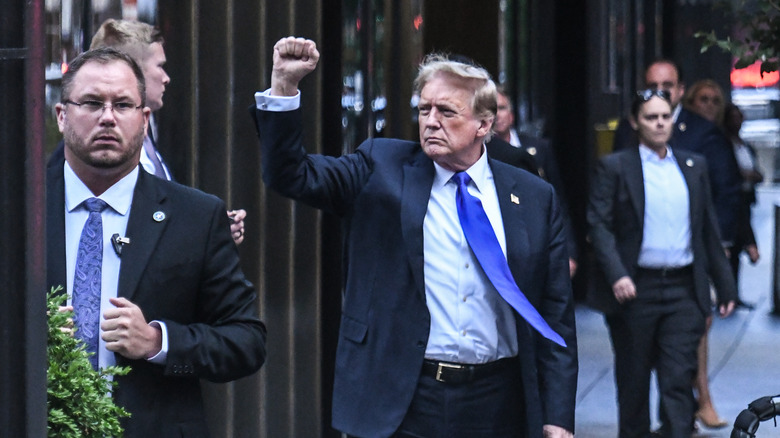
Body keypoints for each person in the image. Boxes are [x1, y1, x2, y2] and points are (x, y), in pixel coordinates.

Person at [252, 36, 577, 438]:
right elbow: (292, 174)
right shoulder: (379, 167)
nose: (431, 121)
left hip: (498, 400)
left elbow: (556, 313)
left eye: (446, 111)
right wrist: (284, 87)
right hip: (403, 396)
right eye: (424, 110)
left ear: (484, 124)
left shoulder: (532, 196)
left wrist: (559, 417)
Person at [46, 47, 267, 437]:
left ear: (144, 120)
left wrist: (157, 341)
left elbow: (246, 341)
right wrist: (30, 335)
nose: (108, 118)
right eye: (93, 103)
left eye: (123, 105)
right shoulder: (18, 210)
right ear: (62, 115)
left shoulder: (195, 217)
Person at [588, 89, 736, 438]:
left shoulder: (692, 165)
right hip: (636, 290)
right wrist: (617, 274)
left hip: (683, 289)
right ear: (635, 122)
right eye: (651, 117)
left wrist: (725, 284)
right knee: (634, 384)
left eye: (665, 116)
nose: (659, 123)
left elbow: (707, 230)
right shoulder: (616, 167)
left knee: (678, 381)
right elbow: (599, 224)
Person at [89, 18, 248, 244]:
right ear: (134, 72)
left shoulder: (146, 133)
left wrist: (210, 228)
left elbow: (157, 220)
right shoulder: (104, 146)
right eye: (159, 66)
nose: (166, 78)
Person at [612, 60, 741, 251]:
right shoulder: (627, 129)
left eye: (667, 86)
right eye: (652, 86)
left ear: (681, 90)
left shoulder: (704, 132)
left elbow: (724, 191)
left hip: (691, 245)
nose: (660, 92)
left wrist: (719, 242)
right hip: (637, 245)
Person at [681, 79, 735, 429]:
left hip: (706, 246)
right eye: (703, 99)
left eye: (716, 100)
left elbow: (729, 193)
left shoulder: (717, 139)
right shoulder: (677, 134)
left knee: (699, 323)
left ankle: (699, 401)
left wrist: (732, 242)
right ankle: (696, 402)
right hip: (678, 247)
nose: (709, 106)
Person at [491, 86, 578, 277]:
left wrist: (569, 251)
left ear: (512, 114)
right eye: (491, 109)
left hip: (538, 240)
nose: (497, 115)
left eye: (502, 108)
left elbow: (557, 201)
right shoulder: (478, 154)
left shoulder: (538, 147)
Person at [723, 102, 762, 301]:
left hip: (745, 199)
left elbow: (758, 172)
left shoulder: (746, 146)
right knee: (732, 244)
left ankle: (733, 294)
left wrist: (751, 176)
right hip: (731, 199)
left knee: (737, 246)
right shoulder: (723, 146)